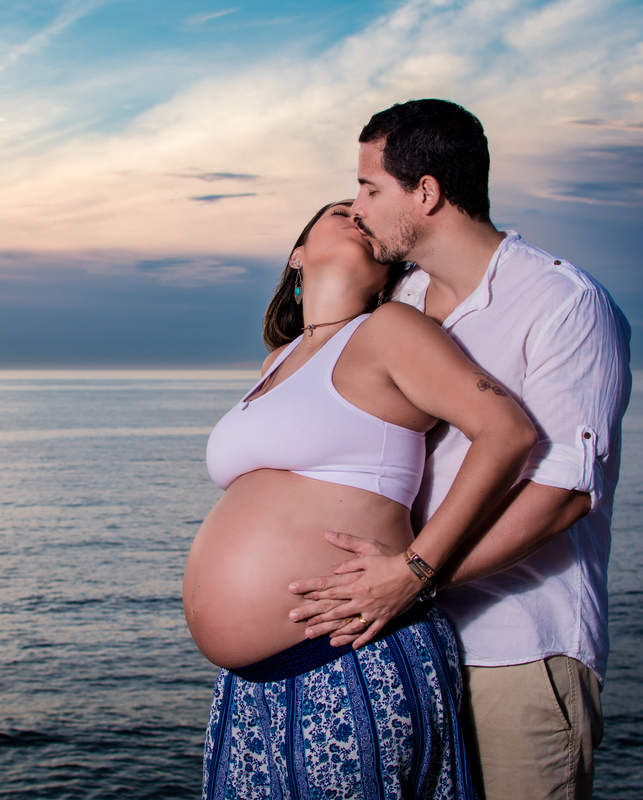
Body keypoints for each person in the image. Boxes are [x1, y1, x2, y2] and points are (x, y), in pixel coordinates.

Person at [287, 99, 632, 800]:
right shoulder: (402, 302)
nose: (357, 207)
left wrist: (417, 575)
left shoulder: (563, 302)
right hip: (407, 648)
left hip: (516, 648)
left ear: (427, 193)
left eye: (370, 188)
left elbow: (563, 494)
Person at [185, 199, 538, 799]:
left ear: (388, 269)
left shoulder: (388, 331)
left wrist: (418, 567)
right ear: (297, 255)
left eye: (365, 212)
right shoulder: (277, 361)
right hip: (250, 689)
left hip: (347, 660)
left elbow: (507, 432)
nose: (357, 213)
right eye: (339, 210)